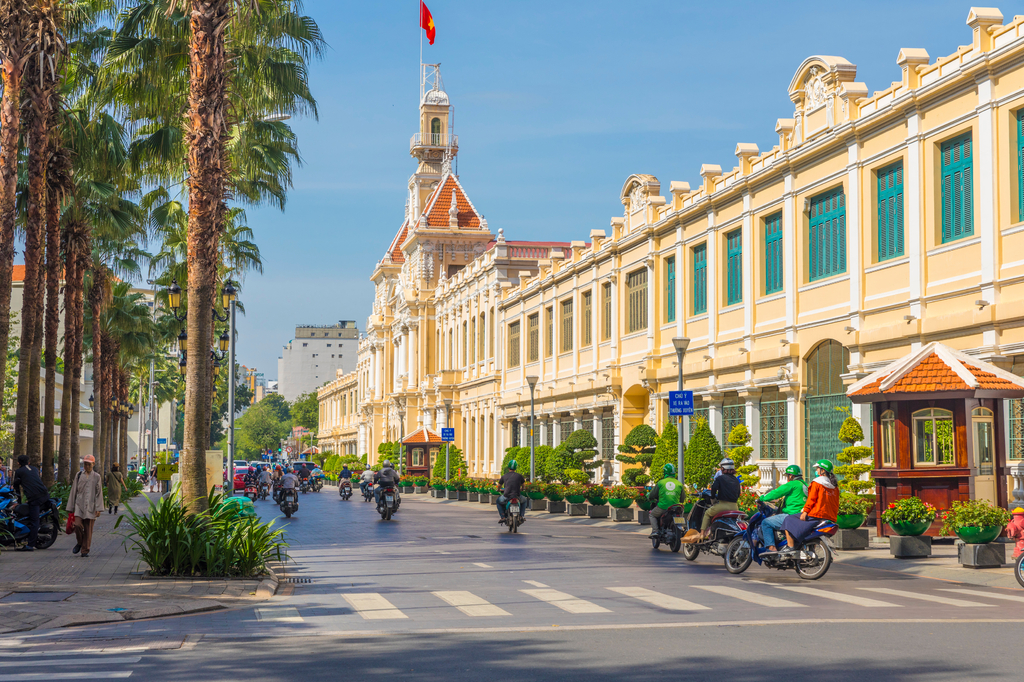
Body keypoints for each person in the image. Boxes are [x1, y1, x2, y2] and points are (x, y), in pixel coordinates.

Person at [782, 459, 840, 552]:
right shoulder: (834, 487)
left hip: (816, 515)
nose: (816, 471)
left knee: (788, 520)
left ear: (823, 470)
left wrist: (805, 511)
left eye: (817, 468)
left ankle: (790, 547)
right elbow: (836, 504)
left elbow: (811, 499)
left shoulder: (817, 483)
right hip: (829, 517)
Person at [685, 458, 741, 543]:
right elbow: (738, 494)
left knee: (707, 513)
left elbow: (713, 490)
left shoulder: (720, 479)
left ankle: (702, 534)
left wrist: (713, 497)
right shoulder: (736, 480)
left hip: (723, 505)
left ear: (723, 468)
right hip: (735, 507)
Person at [757, 464, 807, 552]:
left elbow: (777, 492)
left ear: (791, 475)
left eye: (788, 475)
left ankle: (771, 548)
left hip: (791, 515)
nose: (787, 478)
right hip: (803, 515)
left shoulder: (792, 484)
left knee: (765, 522)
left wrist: (762, 498)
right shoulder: (806, 485)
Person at [68, 455, 103, 558]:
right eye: (85, 464)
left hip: (91, 506)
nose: (86, 466)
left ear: (93, 464)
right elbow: (73, 490)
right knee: (77, 525)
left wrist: (98, 508)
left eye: (89, 464)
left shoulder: (97, 476)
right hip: (79, 505)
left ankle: (85, 550)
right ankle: (80, 542)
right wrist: (70, 507)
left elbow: (99, 492)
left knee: (88, 529)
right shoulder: (78, 475)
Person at [12, 454, 48, 551]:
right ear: (28, 462)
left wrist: (18, 502)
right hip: (45, 494)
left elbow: (17, 488)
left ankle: (30, 545)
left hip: (35, 499)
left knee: (34, 521)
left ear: (18, 463)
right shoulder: (34, 469)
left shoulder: (18, 472)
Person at [647, 463, 683, 537]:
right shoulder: (679, 484)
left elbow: (652, 495)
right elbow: (682, 498)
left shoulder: (661, 483)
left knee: (652, 515)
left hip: (663, 507)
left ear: (665, 472)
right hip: (676, 507)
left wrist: (649, 498)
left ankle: (655, 531)